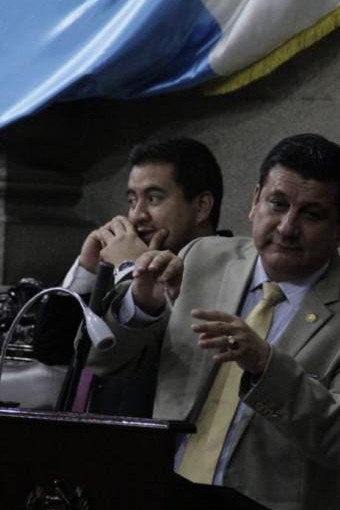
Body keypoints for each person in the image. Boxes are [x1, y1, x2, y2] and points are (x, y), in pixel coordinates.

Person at [88, 133, 340, 510]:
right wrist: (141, 306)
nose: (286, 227)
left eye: (312, 214)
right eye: (278, 204)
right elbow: (109, 360)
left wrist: (265, 364)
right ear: (255, 201)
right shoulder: (202, 257)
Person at [34, 137, 224, 416]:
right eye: (133, 200)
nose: (136, 216)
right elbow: (51, 350)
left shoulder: (227, 271)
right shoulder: (122, 261)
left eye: (154, 198)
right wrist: (87, 269)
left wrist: (130, 267)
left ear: (202, 206)